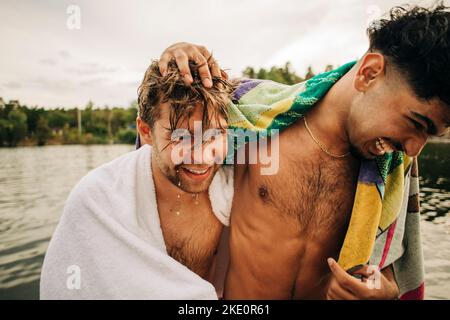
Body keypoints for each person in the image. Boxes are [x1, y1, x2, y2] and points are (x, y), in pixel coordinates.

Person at [157, 4, 450, 299]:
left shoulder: (392, 169)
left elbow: (388, 268)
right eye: (416, 122)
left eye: (430, 134)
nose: (414, 148)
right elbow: (166, 144)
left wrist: (382, 293)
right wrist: (174, 58)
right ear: (370, 73)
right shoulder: (250, 117)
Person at [40, 60, 235, 299]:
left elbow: (289, 102)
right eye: (181, 137)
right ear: (145, 132)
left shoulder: (234, 187)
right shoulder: (96, 200)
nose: (202, 156)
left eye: (215, 134)